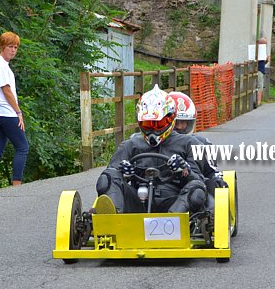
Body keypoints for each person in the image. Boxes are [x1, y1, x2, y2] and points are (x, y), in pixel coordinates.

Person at [95, 85, 207, 214]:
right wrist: (123, 174)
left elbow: (198, 181)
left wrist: (184, 170)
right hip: (137, 202)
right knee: (108, 177)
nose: (153, 130)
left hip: (175, 201)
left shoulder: (190, 143)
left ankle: (172, 221)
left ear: (171, 119)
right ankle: (113, 219)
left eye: (158, 124)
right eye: (148, 124)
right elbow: (111, 175)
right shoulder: (130, 144)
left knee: (197, 188)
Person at [0, 31, 29, 192]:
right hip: (6, 112)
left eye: (15, 47)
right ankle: (17, 185)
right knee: (22, 147)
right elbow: (6, 89)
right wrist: (18, 112)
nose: (13, 50)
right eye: (10, 46)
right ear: (2, 46)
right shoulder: (1, 65)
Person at [168, 91, 228, 208]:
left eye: (184, 123)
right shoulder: (156, 143)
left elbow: (210, 171)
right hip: (165, 187)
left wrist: (216, 179)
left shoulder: (202, 143)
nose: (180, 127)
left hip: (191, 186)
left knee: (212, 194)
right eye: (176, 123)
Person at [255, 37, 270, 107]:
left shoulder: (262, 51)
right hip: (258, 70)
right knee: (259, 85)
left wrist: (266, 60)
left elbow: (263, 63)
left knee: (260, 86)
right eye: (265, 44)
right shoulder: (257, 50)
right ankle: (258, 101)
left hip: (261, 70)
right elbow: (255, 61)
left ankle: (259, 100)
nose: (266, 46)